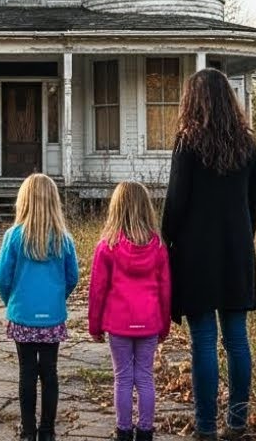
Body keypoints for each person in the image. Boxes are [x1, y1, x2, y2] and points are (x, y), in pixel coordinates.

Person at [161, 68, 256, 440]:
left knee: (203, 341)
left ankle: (205, 427)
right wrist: (240, 238)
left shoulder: (188, 143)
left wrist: (168, 238)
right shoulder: (248, 144)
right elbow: (255, 203)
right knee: (237, 339)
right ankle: (237, 423)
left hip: (196, 254)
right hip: (237, 252)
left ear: (194, 101)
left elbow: (176, 202)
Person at [0, 173, 80, 441]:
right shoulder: (63, 239)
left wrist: (12, 301)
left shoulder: (15, 236)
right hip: (52, 316)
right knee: (50, 372)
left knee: (27, 372)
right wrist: (57, 298)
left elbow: (2, 277)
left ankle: (28, 430)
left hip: (23, 315)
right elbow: (72, 277)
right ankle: (48, 430)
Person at [87, 181, 171, 441]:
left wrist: (95, 325)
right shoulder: (157, 248)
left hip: (119, 323)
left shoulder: (107, 247)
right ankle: (145, 430)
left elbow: (97, 290)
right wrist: (164, 325)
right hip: (148, 322)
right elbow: (165, 289)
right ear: (146, 209)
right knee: (145, 377)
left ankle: (124, 430)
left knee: (123, 377)